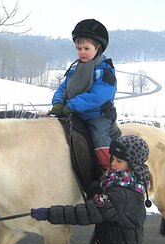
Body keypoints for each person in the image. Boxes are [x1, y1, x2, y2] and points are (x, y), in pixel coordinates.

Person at [31, 135, 150, 244]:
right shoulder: (127, 183)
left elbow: (87, 213)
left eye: (119, 160)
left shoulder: (120, 194)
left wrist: (49, 213)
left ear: (132, 165)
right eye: (113, 158)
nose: (113, 163)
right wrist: (96, 190)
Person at [50, 18, 118, 170]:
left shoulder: (105, 71)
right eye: (78, 48)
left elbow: (98, 97)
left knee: (100, 139)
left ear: (98, 47)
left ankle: (109, 172)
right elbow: (63, 88)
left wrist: (72, 105)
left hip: (96, 115)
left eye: (86, 48)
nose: (82, 52)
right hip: (73, 112)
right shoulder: (75, 69)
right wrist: (58, 103)